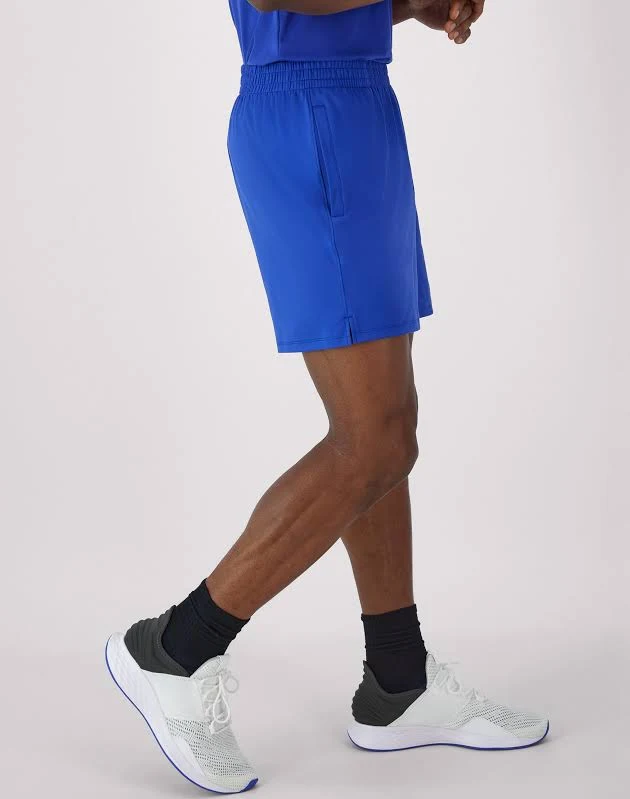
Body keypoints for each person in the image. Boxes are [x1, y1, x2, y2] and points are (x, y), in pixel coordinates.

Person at [105, 1, 548, 793]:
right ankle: (175, 647)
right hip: (309, 113)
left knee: (384, 424)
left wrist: (415, 6)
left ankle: (398, 680)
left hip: (357, 103)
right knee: (374, 440)